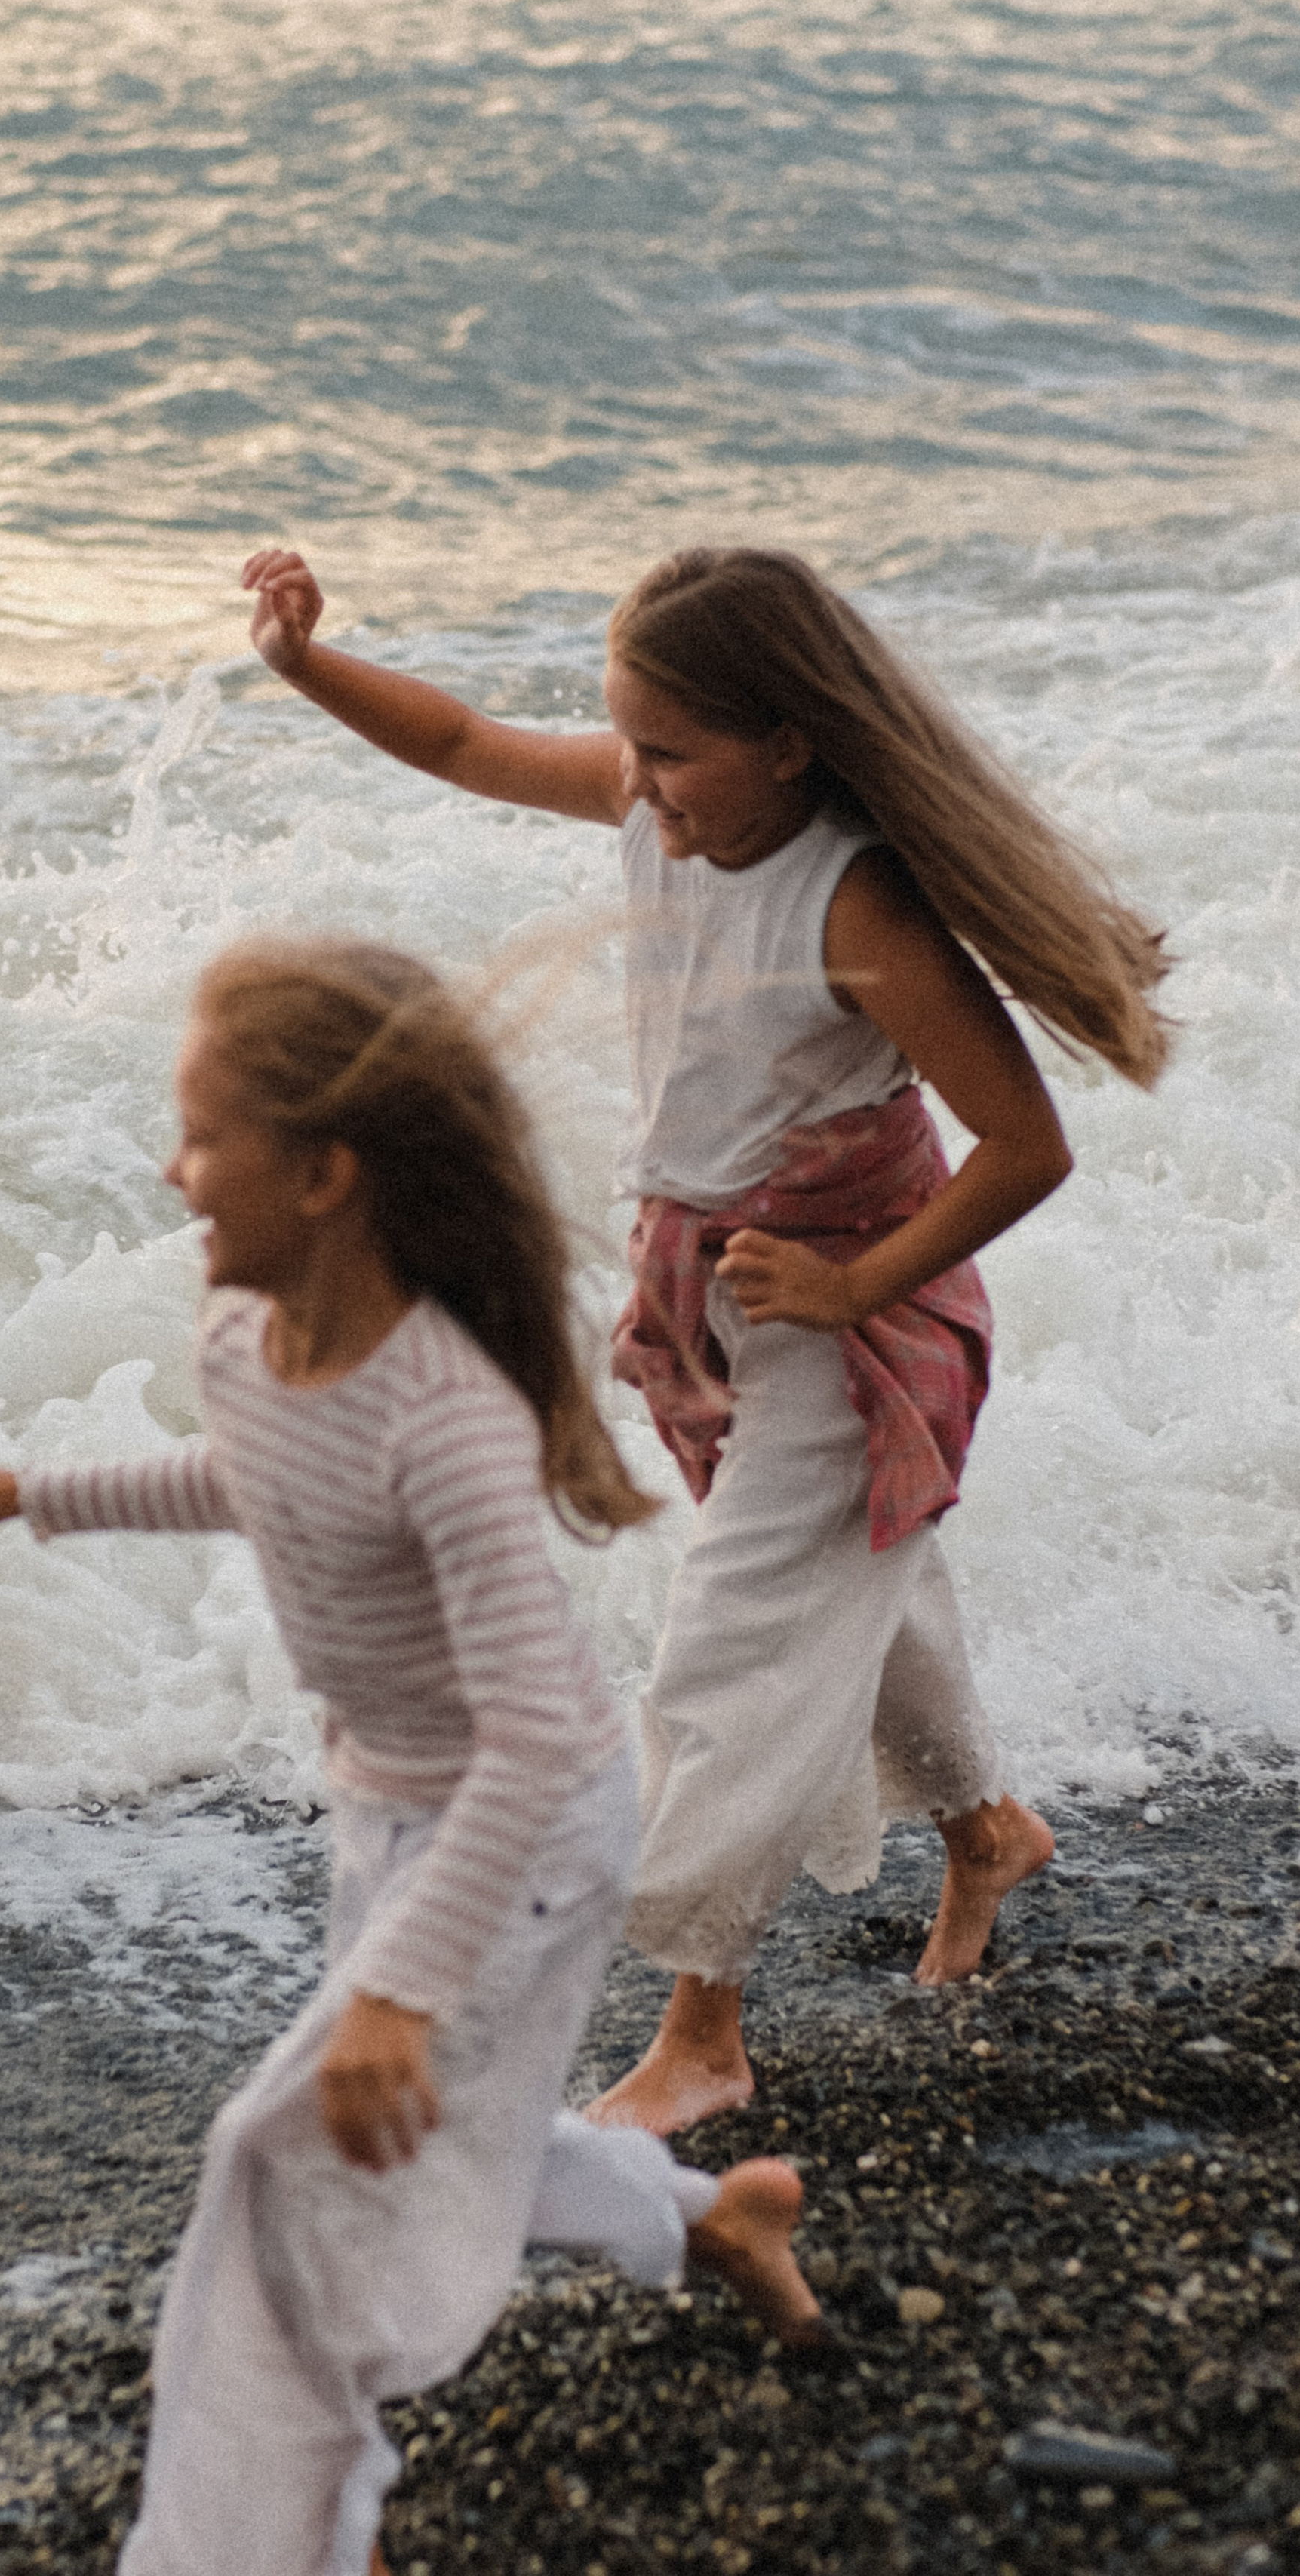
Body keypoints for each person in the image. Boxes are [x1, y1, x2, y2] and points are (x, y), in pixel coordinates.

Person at [0, 934, 826, 2576]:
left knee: (282, 2158)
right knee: (438, 2142)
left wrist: (395, 1987)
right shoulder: (249, 1335)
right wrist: (35, 1494)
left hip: (519, 1836)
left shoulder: (446, 1419)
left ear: (322, 1174)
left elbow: (540, 1739)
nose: (173, 1170)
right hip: (395, 1815)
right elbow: (252, 1477)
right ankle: (707, 2219)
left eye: (199, 1133)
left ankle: (297, 2570)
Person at [239, 545, 1172, 2135]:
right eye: (627, 742)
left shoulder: (856, 899)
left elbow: (1025, 1144)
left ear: (788, 741)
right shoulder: (656, 805)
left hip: (842, 1318)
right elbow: (466, 744)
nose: (640, 785)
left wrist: (856, 1284)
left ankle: (701, 2035)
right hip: (709, 1294)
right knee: (852, 1581)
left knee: (726, 1654)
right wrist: (306, 666)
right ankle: (983, 1828)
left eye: (669, 752)